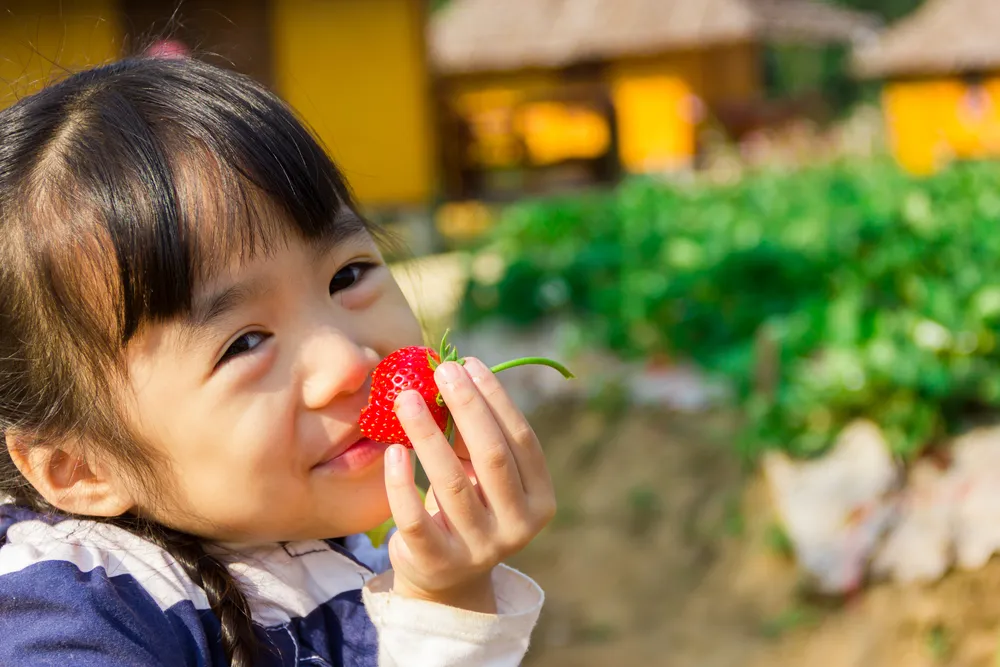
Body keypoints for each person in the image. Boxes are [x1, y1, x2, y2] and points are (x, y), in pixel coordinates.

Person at [0, 55, 555, 666]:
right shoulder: (69, 611)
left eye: (347, 275)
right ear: (81, 468)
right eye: (243, 343)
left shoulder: (345, 554)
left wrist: (452, 596)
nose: (348, 360)